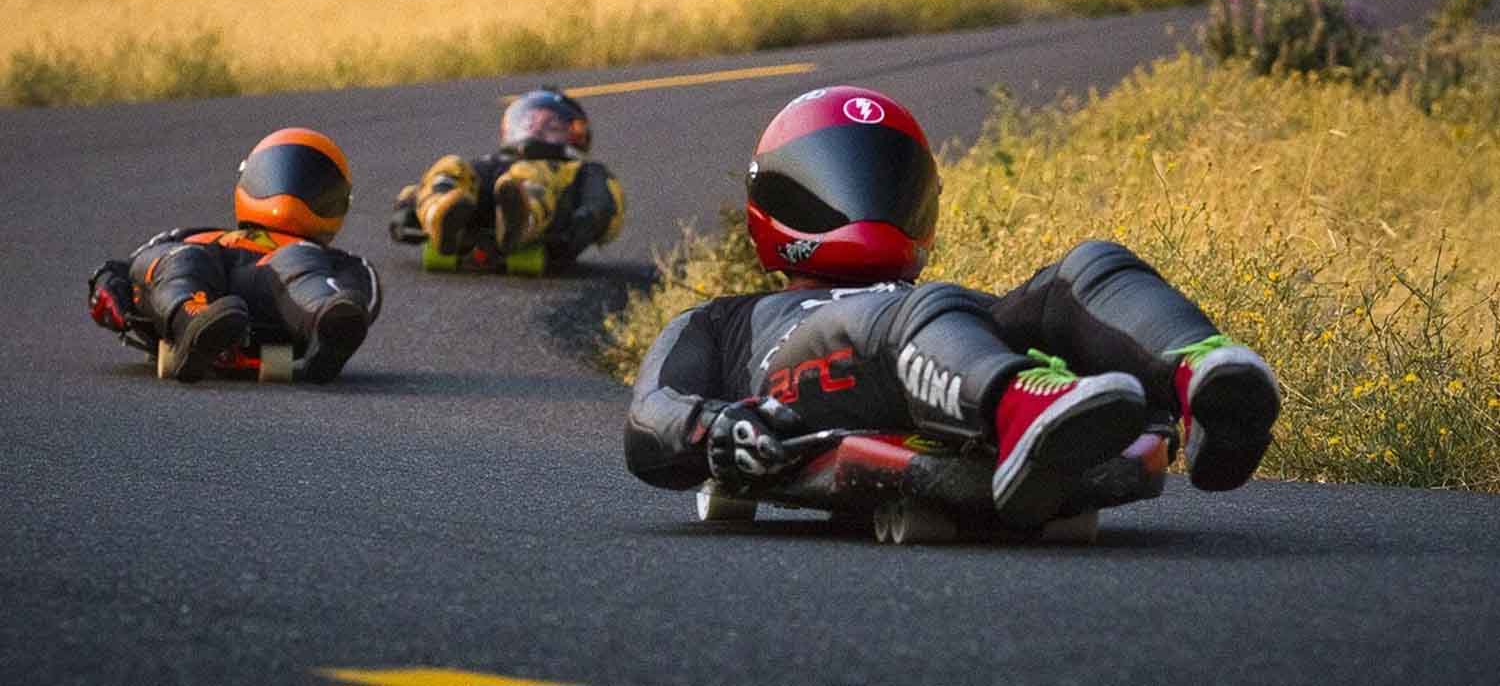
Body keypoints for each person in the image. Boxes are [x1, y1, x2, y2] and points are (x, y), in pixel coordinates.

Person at [623, 86, 1281, 530]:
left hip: (933, 346)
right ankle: (1026, 409)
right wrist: (718, 431)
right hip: (808, 385)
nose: (866, 200)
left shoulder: (931, 308)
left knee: (1086, 269)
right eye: (834, 180)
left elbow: (942, 316)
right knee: (911, 313)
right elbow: (650, 421)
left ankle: (1202, 375)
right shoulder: (724, 322)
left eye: (887, 181)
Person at [87, 127, 381, 384]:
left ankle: (323, 325)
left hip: (275, 289)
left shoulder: (332, 259)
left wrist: (340, 312)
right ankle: (194, 321)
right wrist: (108, 290)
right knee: (184, 258)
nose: (289, 190)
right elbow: (121, 269)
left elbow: (358, 299)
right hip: (204, 283)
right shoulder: (190, 235)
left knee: (299, 264)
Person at [389, 88, 625, 272]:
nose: (538, 130)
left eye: (551, 126)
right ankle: (438, 218)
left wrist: (587, 222)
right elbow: (410, 196)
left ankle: (524, 222)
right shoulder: (491, 162)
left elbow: (607, 205)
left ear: (575, 134)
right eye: (530, 122)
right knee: (451, 165)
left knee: (528, 174)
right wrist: (409, 202)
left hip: (551, 220)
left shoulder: (581, 170)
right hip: (482, 211)